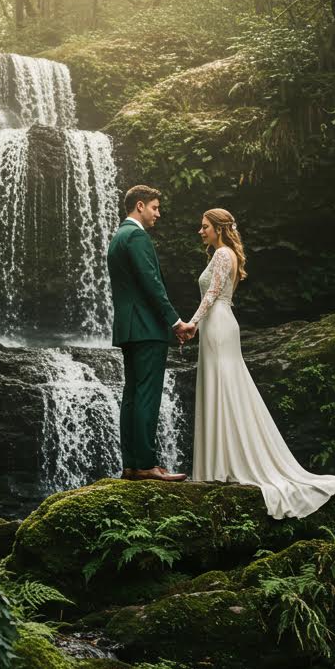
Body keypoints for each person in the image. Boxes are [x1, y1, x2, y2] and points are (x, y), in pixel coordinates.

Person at [179, 208, 335, 519]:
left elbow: (213, 293)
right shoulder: (228, 253)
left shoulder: (220, 255)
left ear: (218, 228)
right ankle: (223, 461)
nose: (199, 231)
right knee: (227, 387)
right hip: (222, 324)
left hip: (216, 325)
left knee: (222, 387)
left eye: (204, 227)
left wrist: (191, 324)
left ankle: (222, 465)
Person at [107, 185, 193, 482]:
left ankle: (131, 464)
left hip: (128, 328)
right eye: (155, 207)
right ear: (140, 206)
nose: (159, 213)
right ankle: (146, 464)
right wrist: (175, 322)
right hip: (147, 328)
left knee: (131, 395)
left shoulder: (118, 237)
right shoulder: (137, 236)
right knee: (147, 395)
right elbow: (151, 283)